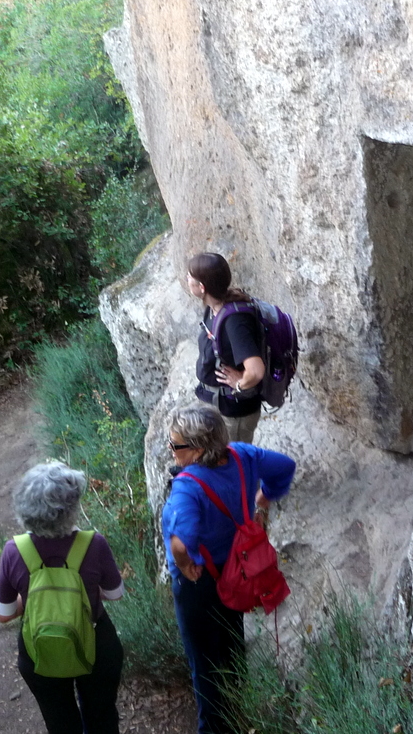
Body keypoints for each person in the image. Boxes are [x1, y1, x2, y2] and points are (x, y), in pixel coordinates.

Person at [162, 404, 296, 734]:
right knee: (231, 647)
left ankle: (214, 728)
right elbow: (284, 467)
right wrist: (263, 500)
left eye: (175, 445)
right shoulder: (241, 455)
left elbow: (182, 542)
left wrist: (183, 563)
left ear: (198, 448)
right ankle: (239, 713)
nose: (171, 451)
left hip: (201, 583)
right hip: (238, 572)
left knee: (204, 662)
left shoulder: (188, 486)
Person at [0, 462, 126, 734]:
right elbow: (115, 594)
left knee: (60, 722)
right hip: (95, 642)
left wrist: (35, 600)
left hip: (39, 648)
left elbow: (4, 613)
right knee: (102, 716)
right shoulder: (94, 543)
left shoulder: (13, 550)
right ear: (70, 508)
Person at [187, 252, 265, 443]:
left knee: (233, 466)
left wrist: (240, 383)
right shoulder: (214, 308)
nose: (187, 279)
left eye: (190, 277)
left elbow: (256, 370)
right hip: (216, 403)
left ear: (202, 287)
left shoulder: (234, 321)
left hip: (234, 414)